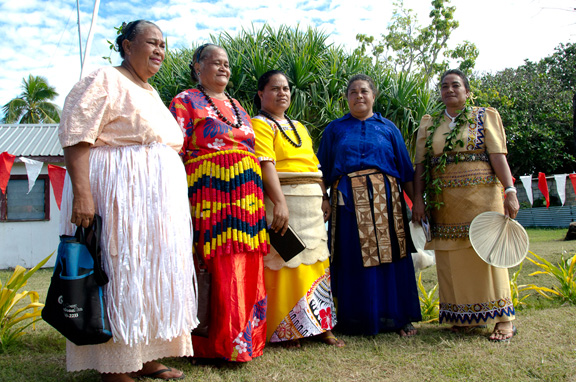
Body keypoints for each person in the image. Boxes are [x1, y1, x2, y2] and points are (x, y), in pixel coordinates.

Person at [58, 20, 197, 382]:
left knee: (150, 275)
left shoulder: (149, 91)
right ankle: (116, 365)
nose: (159, 51)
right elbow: (76, 136)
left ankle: (147, 356)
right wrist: (83, 194)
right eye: (151, 43)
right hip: (118, 195)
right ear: (126, 45)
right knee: (121, 272)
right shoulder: (104, 79)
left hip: (155, 204)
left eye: (163, 45)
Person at [169, 44, 268, 362]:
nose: (224, 68)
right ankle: (215, 345)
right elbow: (175, 151)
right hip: (211, 196)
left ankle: (247, 340)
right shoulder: (185, 101)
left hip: (247, 197)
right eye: (216, 63)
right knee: (221, 266)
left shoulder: (238, 105)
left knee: (248, 262)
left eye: (227, 63)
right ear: (198, 66)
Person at [411, 69, 519, 342]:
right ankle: (464, 318)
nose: (449, 90)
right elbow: (421, 166)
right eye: (444, 86)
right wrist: (419, 202)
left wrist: (509, 190)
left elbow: (498, 156)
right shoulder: (429, 123)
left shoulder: (484, 116)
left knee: (488, 256)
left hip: (484, 201)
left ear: (467, 91)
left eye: (456, 85)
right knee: (453, 260)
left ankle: (503, 320)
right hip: (444, 203)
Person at [317, 74, 422, 337]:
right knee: (351, 257)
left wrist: (418, 203)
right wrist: (324, 198)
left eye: (364, 91)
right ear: (347, 98)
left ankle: (397, 317)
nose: (359, 96)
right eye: (353, 92)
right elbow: (320, 170)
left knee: (391, 257)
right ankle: (352, 319)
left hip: (386, 202)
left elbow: (406, 172)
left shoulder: (388, 129)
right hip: (347, 203)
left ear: (373, 96)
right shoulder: (334, 130)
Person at [252, 70, 344, 348]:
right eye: (275, 88)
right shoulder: (259, 124)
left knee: (317, 262)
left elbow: (314, 166)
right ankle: (287, 330)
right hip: (282, 200)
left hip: (311, 201)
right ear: (261, 94)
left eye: (286, 89)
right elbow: (266, 163)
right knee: (284, 261)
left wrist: (324, 195)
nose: (282, 93)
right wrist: (279, 202)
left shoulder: (299, 126)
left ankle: (321, 326)